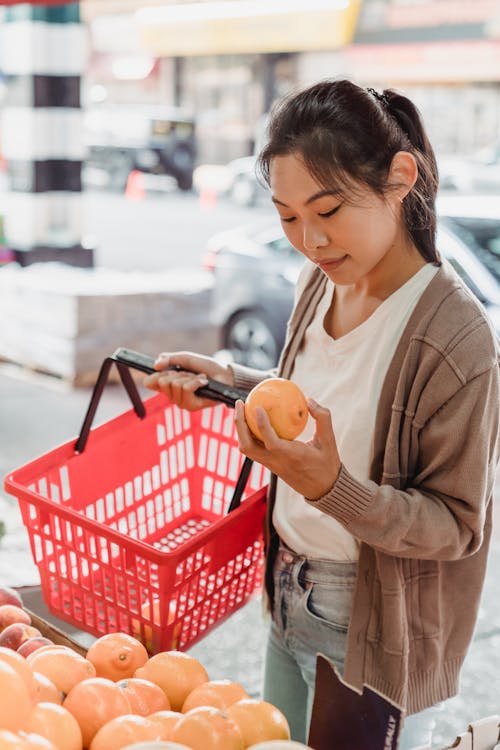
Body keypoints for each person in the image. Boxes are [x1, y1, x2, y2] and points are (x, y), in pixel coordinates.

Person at [143, 79, 500, 749]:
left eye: (327, 210)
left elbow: (455, 527)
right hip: (286, 588)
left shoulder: (456, 339)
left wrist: (327, 486)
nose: (308, 240)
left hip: (375, 623)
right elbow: (309, 395)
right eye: (285, 215)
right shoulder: (321, 280)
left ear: (400, 177)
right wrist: (231, 380)